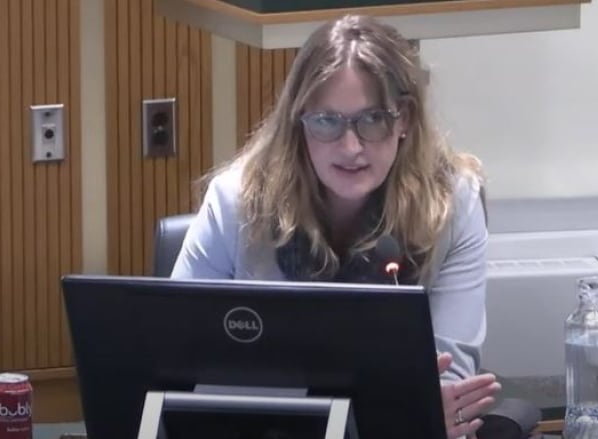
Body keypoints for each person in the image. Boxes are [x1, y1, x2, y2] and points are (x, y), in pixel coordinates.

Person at [171, 14, 500, 439]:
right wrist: (384, 412)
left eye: (372, 120)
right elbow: (174, 360)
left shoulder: (453, 203)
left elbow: (446, 386)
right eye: (326, 122)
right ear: (299, 121)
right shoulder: (236, 201)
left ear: (404, 119)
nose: (350, 147)